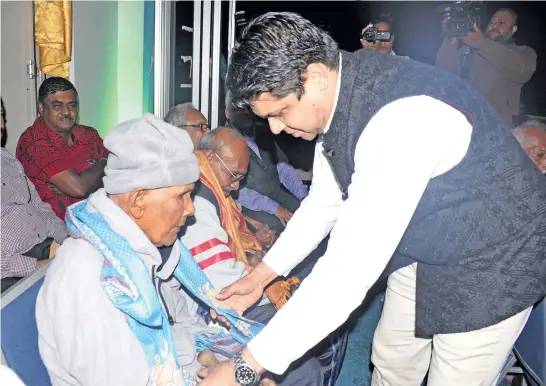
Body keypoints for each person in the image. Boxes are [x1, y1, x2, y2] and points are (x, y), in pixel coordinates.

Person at [201, 12, 546, 386]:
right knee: (392, 356)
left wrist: (245, 367)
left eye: (280, 112)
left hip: (496, 254)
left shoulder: (399, 120)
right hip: (428, 236)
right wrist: (264, 274)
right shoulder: (341, 90)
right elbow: (324, 202)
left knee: (454, 376)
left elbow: (346, 275)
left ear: (314, 76)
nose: (276, 128)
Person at [36, 114, 230, 385]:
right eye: (181, 196)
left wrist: (207, 359)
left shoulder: (146, 250)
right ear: (138, 199)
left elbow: (171, 331)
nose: (191, 208)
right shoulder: (89, 276)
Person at [179, 126, 322, 386]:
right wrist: (265, 281)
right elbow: (224, 286)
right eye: (233, 176)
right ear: (211, 158)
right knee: (307, 362)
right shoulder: (198, 201)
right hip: (218, 309)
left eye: (240, 179)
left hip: (231, 287)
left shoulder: (210, 186)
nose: (235, 186)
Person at [16, 77, 109, 219]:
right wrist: (104, 163)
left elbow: (117, 171)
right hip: (57, 233)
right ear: (41, 109)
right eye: (57, 105)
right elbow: (79, 188)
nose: (66, 112)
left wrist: (94, 176)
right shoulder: (33, 142)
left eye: (72, 105)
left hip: (101, 217)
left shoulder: (89, 135)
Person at [1, 97, 68, 293]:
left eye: (1, 115)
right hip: (12, 272)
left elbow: (38, 207)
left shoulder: (5, 158)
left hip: (44, 246)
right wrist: (38, 266)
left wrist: (68, 237)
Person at [435, 8, 537, 126]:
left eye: (501, 23)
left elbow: (522, 71)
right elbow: (443, 72)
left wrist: (482, 44)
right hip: (466, 121)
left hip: (500, 126)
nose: (494, 26)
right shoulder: (468, 51)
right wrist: (451, 36)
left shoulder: (523, 52)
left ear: (513, 29)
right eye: (492, 22)